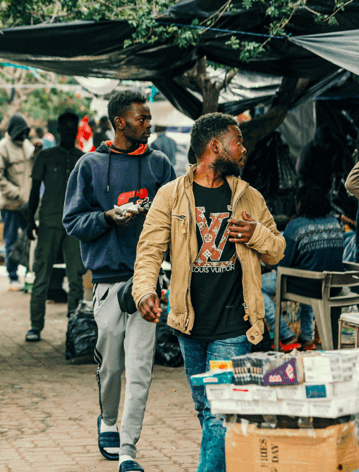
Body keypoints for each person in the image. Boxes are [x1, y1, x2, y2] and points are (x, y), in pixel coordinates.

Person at [132, 112, 285, 472]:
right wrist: (144, 293)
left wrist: (255, 235)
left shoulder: (250, 198)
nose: (244, 149)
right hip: (189, 324)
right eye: (238, 141)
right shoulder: (170, 196)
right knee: (207, 409)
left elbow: (277, 250)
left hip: (235, 324)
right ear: (215, 147)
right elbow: (149, 251)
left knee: (220, 410)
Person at [63, 91, 176, 472]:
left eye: (148, 117)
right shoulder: (90, 166)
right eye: (142, 118)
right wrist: (109, 217)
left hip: (146, 281)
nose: (149, 123)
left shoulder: (160, 165)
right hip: (109, 281)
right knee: (111, 362)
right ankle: (107, 420)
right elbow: (72, 222)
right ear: (119, 122)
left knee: (141, 365)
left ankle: (128, 448)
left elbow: (175, 220)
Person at [25, 111, 86, 342]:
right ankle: (35, 326)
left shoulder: (84, 159)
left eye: (73, 127)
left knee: (76, 279)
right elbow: (33, 191)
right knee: (41, 276)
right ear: (59, 130)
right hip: (48, 222)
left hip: (74, 225)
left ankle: (75, 328)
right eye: (66, 127)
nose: (69, 131)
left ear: (77, 130)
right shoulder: (45, 157)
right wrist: (30, 219)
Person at [262, 183, 344, 351]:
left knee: (257, 285)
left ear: (301, 203)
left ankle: (286, 335)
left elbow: (283, 264)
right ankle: (307, 338)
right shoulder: (335, 223)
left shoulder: (296, 226)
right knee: (309, 272)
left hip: (310, 285)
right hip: (334, 286)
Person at [0, 113, 35, 291]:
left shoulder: (27, 145)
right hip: (10, 204)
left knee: (28, 239)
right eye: (20, 132)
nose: (22, 135)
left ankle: (27, 274)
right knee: (11, 240)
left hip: (27, 203)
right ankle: (12, 276)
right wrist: (17, 194)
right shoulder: (2, 148)